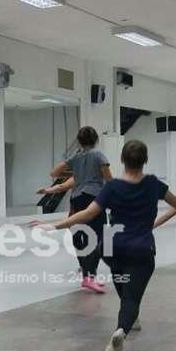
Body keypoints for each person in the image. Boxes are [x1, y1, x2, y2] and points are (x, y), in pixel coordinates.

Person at [32, 140, 176, 351]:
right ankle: (121, 331)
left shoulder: (112, 187)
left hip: (112, 249)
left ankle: (130, 317)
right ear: (145, 160)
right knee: (132, 297)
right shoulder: (153, 184)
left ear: (122, 160)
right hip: (141, 249)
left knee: (124, 286)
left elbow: (87, 213)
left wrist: (54, 226)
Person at [49, 126, 113, 294]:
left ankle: (87, 276)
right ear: (96, 139)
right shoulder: (98, 155)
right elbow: (109, 179)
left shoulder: (76, 157)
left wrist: (77, 172)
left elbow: (54, 173)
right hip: (93, 199)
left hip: (77, 198)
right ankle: (89, 277)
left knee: (81, 237)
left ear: (79, 141)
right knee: (99, 237)